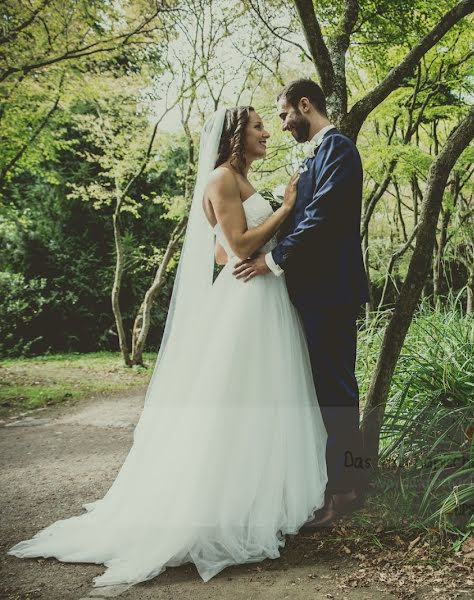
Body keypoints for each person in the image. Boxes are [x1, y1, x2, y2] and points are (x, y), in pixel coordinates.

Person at [7, 106, 328, 588]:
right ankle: (219, 511)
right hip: (248, 304)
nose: (267, 132)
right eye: (260, 126)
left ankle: (257, 502)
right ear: (237, 136)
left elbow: (220, 249)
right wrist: (284, 208)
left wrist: (269, 226)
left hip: (263, 299)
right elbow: (239, 248)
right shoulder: (221, 178)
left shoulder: (234, 180)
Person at [233, 79, 371, 527]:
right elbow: (300, 216)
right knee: (325, 392)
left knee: (338, 392)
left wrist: (273, 259)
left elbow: (323, 217)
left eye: (283, 114)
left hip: (331, 290)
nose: (281, 124)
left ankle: (348, 490)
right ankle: (335, 485)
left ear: (304, 104)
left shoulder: (338, 149)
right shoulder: (316, 155)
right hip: (313, 292)